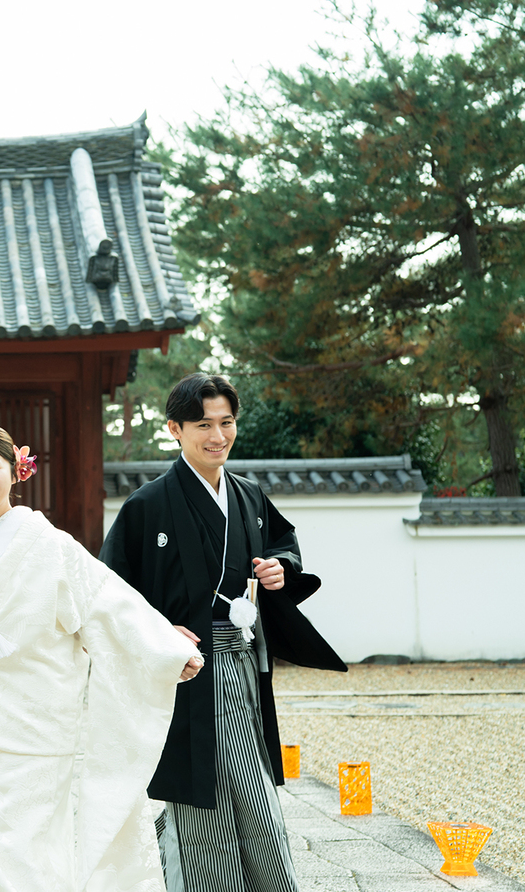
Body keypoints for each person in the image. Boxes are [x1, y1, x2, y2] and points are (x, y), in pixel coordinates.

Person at [0, 423, 203, 892]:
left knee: (24, 845)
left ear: (16, 471)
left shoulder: (50, 544)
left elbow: (107, 605)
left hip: (34, 720)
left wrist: (162, 647)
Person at [100, 373, 346, 892]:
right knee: (199, 790)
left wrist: (279, 568)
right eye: (203, 425)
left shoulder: (248, 495)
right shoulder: (148, 504)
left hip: (242, 660)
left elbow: (283, 546)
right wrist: (159, 630)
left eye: (226, 422)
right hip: (184, 669)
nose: (218, 436)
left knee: (250, 784)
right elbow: (110, 592)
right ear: (175, 429)